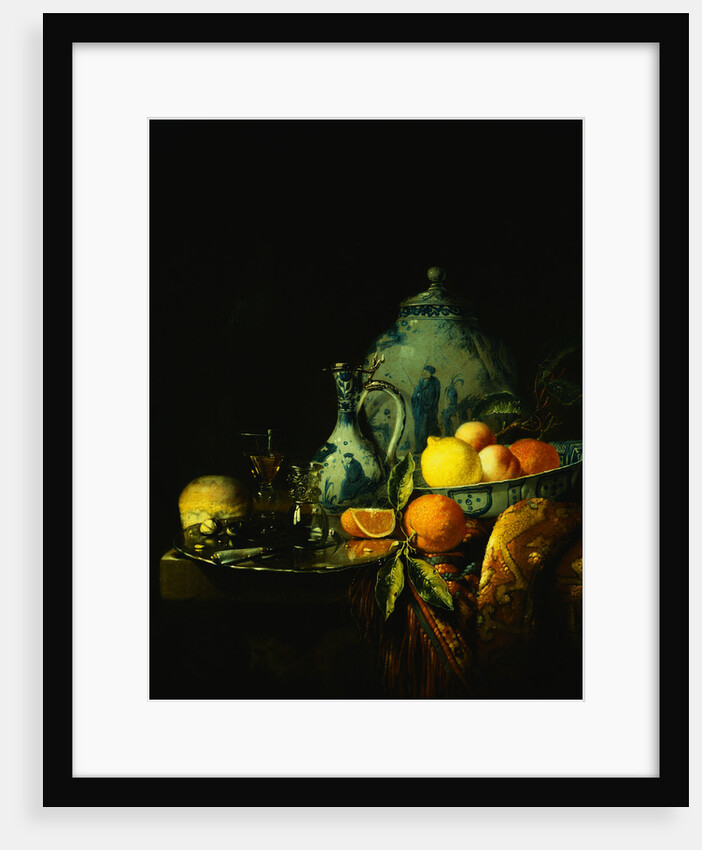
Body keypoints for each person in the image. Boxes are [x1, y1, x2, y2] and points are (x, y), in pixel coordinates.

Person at [411, 365, 441, 452]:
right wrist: (416, 396)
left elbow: (436, 396)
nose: (424, 373)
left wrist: (425, 398)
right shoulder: (420, 382)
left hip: (429, 409)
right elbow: (415, 394)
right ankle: (419, 448)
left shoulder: (435, 382)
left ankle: (427, 448)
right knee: (418, 429)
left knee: (426, 429)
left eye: (426, 372)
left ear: (431, 374)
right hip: (419, 409)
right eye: (423, 371)